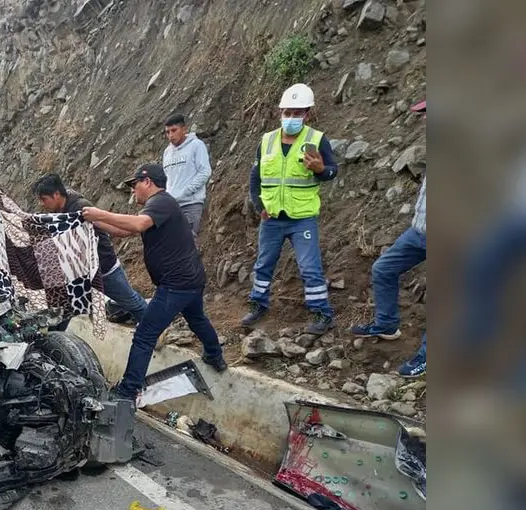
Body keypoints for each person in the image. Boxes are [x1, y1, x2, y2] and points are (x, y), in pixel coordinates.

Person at [82, 163, 227, 405]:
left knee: (145, 334)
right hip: (190, 280)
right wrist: (94, 223)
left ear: (147, 182)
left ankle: (128, 391)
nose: (132, 191)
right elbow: (125, 231)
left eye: (134, 184)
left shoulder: (161, 202)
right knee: (197, 318)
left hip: (176, 285)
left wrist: (98, 214)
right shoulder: (160, 207)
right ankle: (215, 355)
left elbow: (136, 225)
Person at [242, 83, 340, 335]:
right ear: (280, 112)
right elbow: (256, 177)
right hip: (272, 216)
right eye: (288, 112)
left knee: (309, 266)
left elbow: (332, 171)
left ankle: (321, 312)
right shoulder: (267, 140)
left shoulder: (316, 140)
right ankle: (258, 304)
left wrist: (320, 170)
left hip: (302, 217)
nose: (292, 118)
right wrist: (259, 204)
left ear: (307, 114)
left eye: (298, 113)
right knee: (264, 263)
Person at [352, 100, 427, 378]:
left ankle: (427, 357)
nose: (425, 121)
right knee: (383, 268)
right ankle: (386, 324)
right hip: (420, 232)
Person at [33, 173, 148, 327]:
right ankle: (58, 344)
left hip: (103, 268)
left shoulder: (81, 208)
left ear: (56, 194)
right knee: (63, 310)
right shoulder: (56, 213)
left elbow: (111, 228)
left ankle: (154, 328)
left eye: (44, 199)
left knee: (131, 302)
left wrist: (134, 227)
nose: (42, 203)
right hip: (78, 274)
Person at [162, 113, 212, 236]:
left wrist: (186, 192)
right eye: (167, 132)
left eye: (174, 130)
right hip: (171, 207)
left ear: (184, 129)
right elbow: (166, 178)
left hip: (190, 205)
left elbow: (205, 172)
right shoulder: (167, 152)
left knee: (189, 243)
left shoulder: (196, 145)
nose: (170, 135)